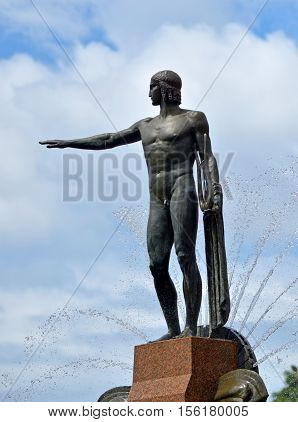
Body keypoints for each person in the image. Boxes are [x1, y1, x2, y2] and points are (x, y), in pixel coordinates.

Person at [40, 70, 223, 341]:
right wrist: (69, 143)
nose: (148, 93)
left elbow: (206, 157)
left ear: (164, 88)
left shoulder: (193, 119)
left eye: (152, 88)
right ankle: (173, 328)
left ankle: (190, 326)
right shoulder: (145, 125)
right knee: (157, 264)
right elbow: (107, 139)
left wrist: (214, 189)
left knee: (185, 256)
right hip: (156, 196)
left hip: (182, 189)